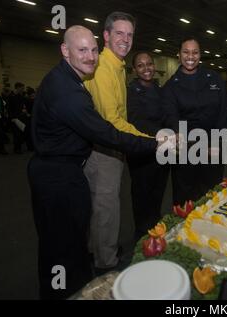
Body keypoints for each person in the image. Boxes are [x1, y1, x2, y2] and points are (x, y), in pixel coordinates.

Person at [27, 25, 160, 299]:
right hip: (58, 178)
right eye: (82, 50)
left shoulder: (68, 78)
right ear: (65, 51)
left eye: (93, 50)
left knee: (70, 242)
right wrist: (154, 144)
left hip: (59, 170)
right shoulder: (68, 92)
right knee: (62, 248)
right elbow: (106, 132)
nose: (90, 57)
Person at [83, 12, 151, 273]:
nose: (126, 39)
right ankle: (106, 264)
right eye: (119, 33)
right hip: (104, 150)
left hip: (113, 145)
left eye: (130, 34)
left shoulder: (117, 66)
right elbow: (112, 121)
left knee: (102, 205)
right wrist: (152, 140)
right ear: (107, 36)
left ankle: (98, 251)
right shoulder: (102, 69)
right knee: (106, 207)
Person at [163, 36, 227, 206]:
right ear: (179, 54)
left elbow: (224, 113)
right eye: (186, 52)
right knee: (185, 197)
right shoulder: (171, 85)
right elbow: (171, 116)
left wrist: (216, 143)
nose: (190, 56)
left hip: (213, 149)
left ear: (200, 54)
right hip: (186, 151)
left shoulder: (214, 78)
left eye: (195, 52)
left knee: (212, 195)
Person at [126, 52, 169, 241]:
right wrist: (162, 134)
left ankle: (155, 226)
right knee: (143, 193)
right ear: (135, 69)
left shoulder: (160, 90)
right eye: (141, 65)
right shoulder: (131, 91)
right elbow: (137, 121)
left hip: (163, 150)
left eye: (149, 64)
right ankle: (142, 234)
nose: (146, 69)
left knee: (158, 190)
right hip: (142, 151)